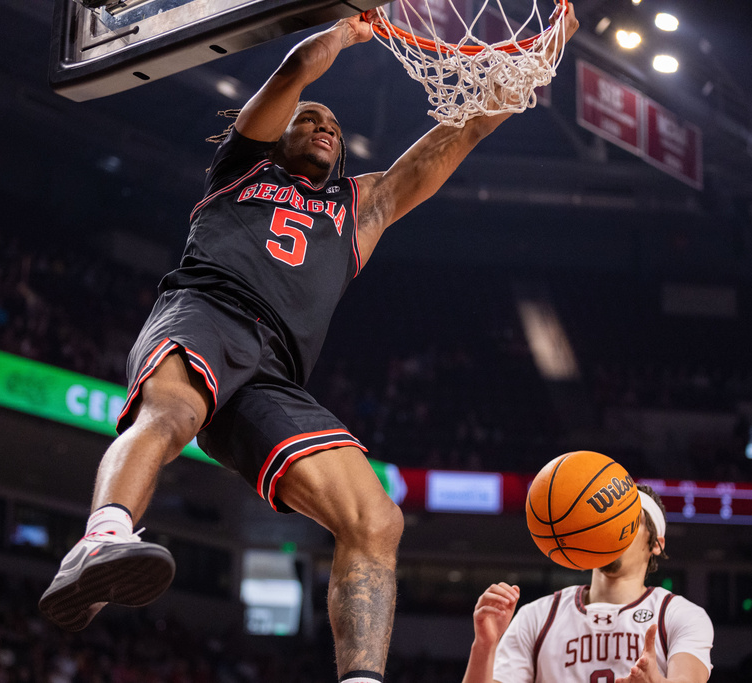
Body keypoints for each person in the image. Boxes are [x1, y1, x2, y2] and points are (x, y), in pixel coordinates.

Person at [39, 7, 579, 683]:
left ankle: (359, 679)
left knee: (376, 518)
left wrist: (540, 53)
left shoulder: (362, 205)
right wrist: (347, 33)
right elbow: (295, 71)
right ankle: (101, 539)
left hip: (276, 374)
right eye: (309, 120)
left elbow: (465, 128)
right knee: (173, 415)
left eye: (332, 127)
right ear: (277, 135)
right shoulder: (240, 167)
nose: (323, 127)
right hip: (206, 310)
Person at [462, 485, 714, 683]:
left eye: (627, 520)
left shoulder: (679, 614)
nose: (613, 529)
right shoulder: (536, 617)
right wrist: (484, 645)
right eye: (607, 519)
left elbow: (688, 679)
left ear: (657, 544)